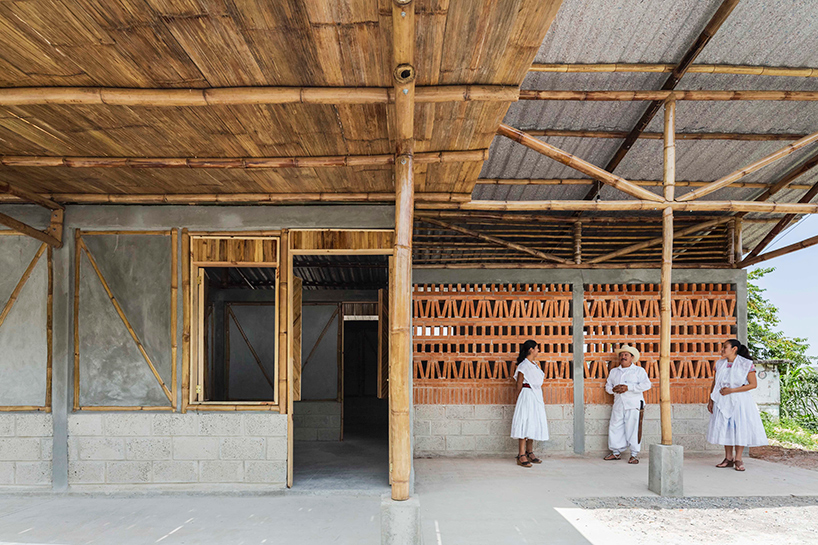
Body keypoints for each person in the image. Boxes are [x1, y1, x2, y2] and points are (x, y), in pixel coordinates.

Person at [706, 339, 768, 471]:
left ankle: (738, 459)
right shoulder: (720, 364)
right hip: (722, 400)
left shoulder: (746, 364)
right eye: (722, 347)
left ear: (734, 349)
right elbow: (715, 383)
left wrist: (732, 390)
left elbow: (753, 384)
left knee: (739, 427)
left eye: (725, 347)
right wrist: (711, 399)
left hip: (740, 401)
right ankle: (728, 458)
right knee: (726, 428)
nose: (722, 350)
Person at [603, 345, 651, 464]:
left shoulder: (639, 371)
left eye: (626, 355)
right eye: (621, 355)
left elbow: (647, 385)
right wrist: (614, 389)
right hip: (619, 404)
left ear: (632, 358)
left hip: (634, 404)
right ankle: (616, 452)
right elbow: (607, 387)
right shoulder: (614, 371)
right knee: (615, 427)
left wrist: (629, 388)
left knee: (633, 429)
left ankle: (634, 455)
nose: (623, 357)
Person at [511, 340, 549, 467]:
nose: (538, 350)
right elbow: (519, 384)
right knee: (525, 422)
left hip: (536, 396)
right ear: (531, 349)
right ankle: (521, 454)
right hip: (526, 395)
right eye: (537, 348)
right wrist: (518, 400)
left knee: (533, 421)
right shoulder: (523, 365)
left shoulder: (534, 364)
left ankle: (529, 451)